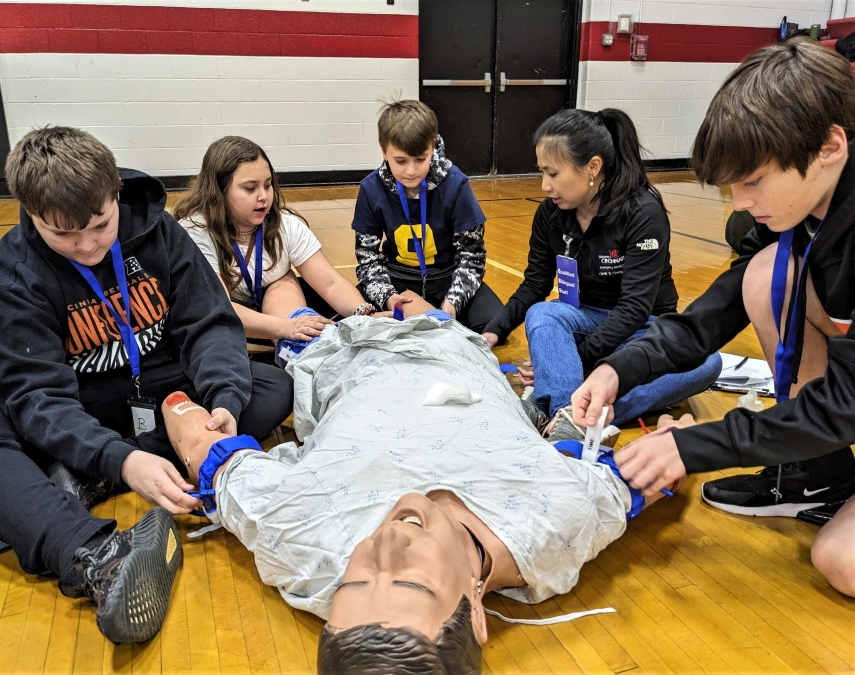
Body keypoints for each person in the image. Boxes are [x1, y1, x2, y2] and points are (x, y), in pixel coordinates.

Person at [160, 305, 681, 672]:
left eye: (355, 584)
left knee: (286, 295)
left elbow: (191, 430)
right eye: (410, 584)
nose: (385, 545)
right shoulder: (556, 524)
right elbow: (649, 473)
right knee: (695, 367)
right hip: (453, 339)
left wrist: (189, 415)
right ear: (476, 613)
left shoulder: (304, 543)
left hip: (338, 345)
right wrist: (671, 446)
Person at [0, 127, 293, 643]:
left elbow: (208, 323)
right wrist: (124, 458)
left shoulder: (159, 231)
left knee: (267, 388)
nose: (87, 246)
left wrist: (224, 398)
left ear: (115, 195)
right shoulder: (13, 273)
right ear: (30, 213)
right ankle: (96, 554)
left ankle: (84, 471)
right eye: (63, 234)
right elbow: (36, 395)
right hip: (72, 395)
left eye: (100, 225)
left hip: (154, 385)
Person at [571, 38, 855, 596]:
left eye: (752, 181)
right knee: (765, 275)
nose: (740, 203)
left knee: (842, 562)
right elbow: (710, 315)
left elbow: (846, 404)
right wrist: (619, 369)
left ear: (828, 146)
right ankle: (822, 477)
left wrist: (690, 447)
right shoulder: (803, 206)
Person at [481, 108, 721, 441]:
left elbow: (636, 309)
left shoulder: (643, 212)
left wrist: (576, 360)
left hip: (645, 327)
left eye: (552, 173)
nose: (544, 184)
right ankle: (572, 416)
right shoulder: (549, 213)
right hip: (587, 320)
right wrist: (492, 333)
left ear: (593, 167)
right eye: (541, 173)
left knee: (707, 361)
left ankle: (564, 411)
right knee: (544, 313)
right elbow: (537, 283)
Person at [174, 136, 408, 356]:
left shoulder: (285, 225)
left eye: (267, 185)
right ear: (219, 192)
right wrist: (287, 327)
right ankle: (292, 342)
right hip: (218, 321)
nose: (263, 196)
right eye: (249, 188)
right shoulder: (196, 232)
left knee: (282, 281)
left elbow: (330, 282)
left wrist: (365, 314)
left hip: (272, 315)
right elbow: (220, 309)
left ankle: (302, 352)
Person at [352, 99, 504, 333]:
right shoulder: (371, 189)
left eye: (420, 159)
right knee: (354, 316)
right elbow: (367, 259)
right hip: (396, 278)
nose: (411, 171)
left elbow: (472, 255)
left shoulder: (456, 185)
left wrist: (454, 300)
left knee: (494, 323)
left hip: (447, 277)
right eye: (400, 161)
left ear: (432, 147)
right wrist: (388, 298)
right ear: (384, 152)